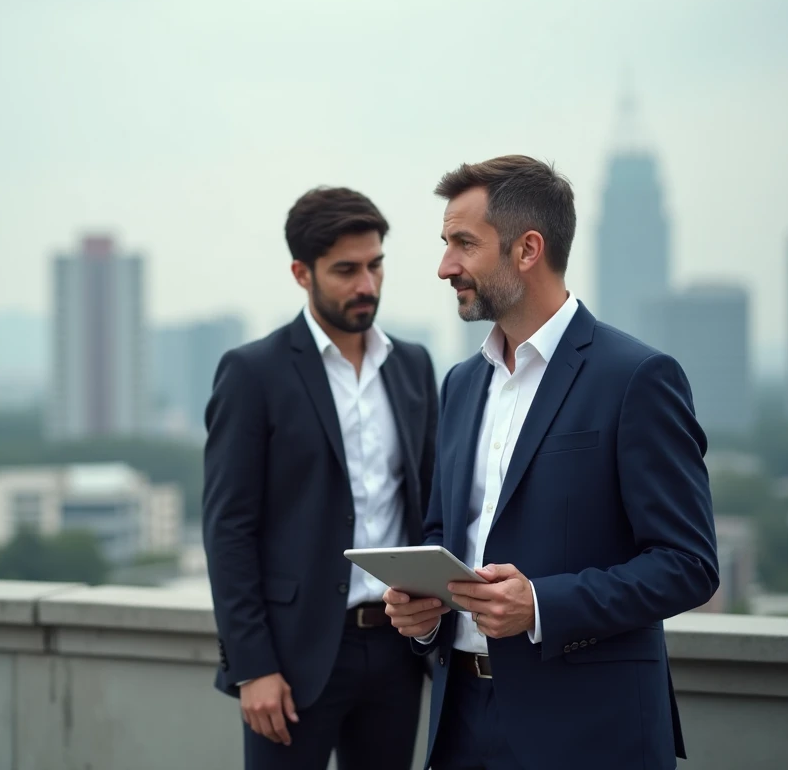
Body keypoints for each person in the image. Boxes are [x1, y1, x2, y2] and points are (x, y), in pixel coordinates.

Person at [383, 155, 719, 770]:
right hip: (457, 724)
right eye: (444, 244)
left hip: (588, 731)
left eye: (463, 243)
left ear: (527, 249)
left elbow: (689, 565)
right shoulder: (460, 385)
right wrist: (424, 612)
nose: (444, 267)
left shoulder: (637, 378)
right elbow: (442, 535)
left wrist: (541, 605)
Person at [203, 186, 438, 770]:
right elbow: (228, 529)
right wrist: (252, 666)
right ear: (300, 273)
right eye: (346, 270)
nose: (367, 285)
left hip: (396, 648)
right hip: (291, 658)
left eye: (376, 265)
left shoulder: (412, 365)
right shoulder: (252, 373)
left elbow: (429, 502)